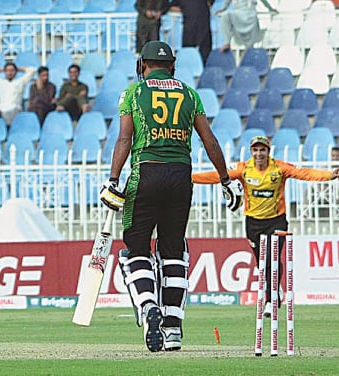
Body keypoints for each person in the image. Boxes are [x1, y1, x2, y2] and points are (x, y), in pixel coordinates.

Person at [99, 41, 243, 352]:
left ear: (143, 65)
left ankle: (149, 306)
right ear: (172, 66)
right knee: (174, 250)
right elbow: (209, 140)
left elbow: (125, 138)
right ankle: (173, 327)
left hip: (146, 173)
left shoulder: (133, 94)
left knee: (135, 248)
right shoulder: (190, 94)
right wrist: (226, 180)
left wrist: (113, 179)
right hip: (181, 175)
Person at [192, 136, 339, 317]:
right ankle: (274, 289)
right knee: (262, 264)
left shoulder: (279, 168)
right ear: (251, 152)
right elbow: (216, 176)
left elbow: (304, 173)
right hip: (253, 223)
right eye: (255, 150)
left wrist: (329, 175)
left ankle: (271, 300)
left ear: (268, 152)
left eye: (262, 150)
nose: (259, 154)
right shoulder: (244, 169)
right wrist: (191, 178)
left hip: (276, 220)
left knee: (272, 258)